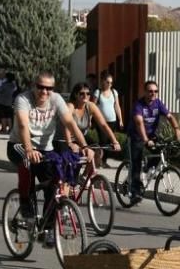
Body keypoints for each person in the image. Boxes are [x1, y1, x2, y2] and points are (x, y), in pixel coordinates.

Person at [8, 72, 94, 225]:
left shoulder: (56, 99)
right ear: (34, 86)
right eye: (41, 87)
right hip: (19, 145)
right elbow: (22, 125)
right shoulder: (23, 99)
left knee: (53, 186)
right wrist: (29, 150)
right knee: (27, 163)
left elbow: (70, 123)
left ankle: (47, 228)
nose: (44, 92)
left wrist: (85, 146)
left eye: (49, 88)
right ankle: (25, 202)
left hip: (45, 149)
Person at [127, 80, 180, 202]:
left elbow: (169, 116)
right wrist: (145, 140)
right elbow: (139, 122)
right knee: (136, 163)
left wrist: (177, 129)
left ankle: (147, 169)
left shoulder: (158, 103)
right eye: (150, 91)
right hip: (137, 136)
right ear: (145, 92)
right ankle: (135, 192)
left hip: (151, 135)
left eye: (155, 91)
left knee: (161, 150)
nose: (153, 93)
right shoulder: (139, 105)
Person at [63, 82, 121, 166]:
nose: (85, 96)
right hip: (66, 138)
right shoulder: (71, 106)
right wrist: (69, 143)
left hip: (82, 137)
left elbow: (103, 125)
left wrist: (115, 141)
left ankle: (85, 176)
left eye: (88, 93)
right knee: (74, 162)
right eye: (82, 93)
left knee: (98, 151)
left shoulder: (90, 106)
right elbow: (67, 124)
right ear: (76, 95)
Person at [93, 73, 124, 167]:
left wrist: (120, 119)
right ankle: (99, 160)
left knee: (110, 142)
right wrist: (90, 119)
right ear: (103, 81)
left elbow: (117, 106)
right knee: (103, 140)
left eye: (111, 83)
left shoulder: (114, 92)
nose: (110, 84)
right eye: (108, 82)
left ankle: (104, 161)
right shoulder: (98, 92)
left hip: (112, 120)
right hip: (101, 121)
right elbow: (92, 106)